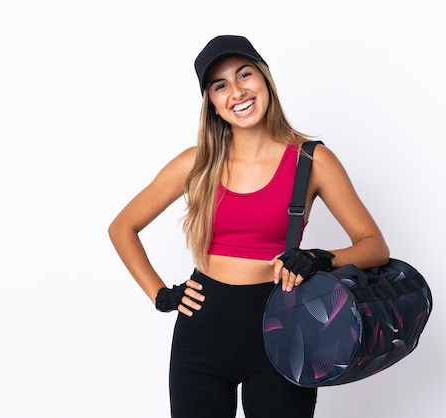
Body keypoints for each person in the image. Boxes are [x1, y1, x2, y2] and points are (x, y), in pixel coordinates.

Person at [108, 35, 390, 418]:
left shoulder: (313, 160)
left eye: (245, 75)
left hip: (284, 328)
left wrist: (319, 258)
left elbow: (374, 246)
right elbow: (122, 227)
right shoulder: (195, 164)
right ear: (211, 103)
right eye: (220, 85)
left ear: (265, 79)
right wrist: (161, 295)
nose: (237, 91)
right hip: (202, 331)